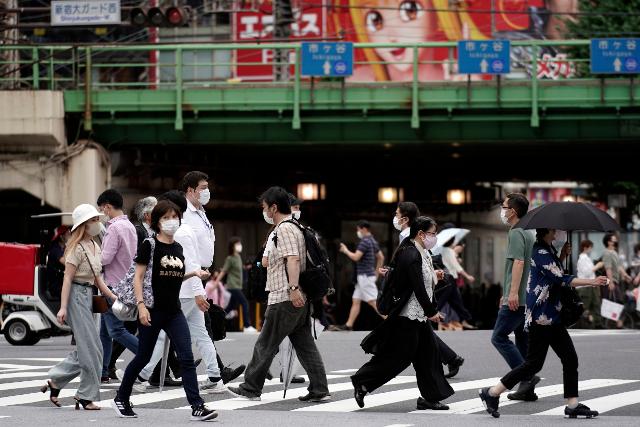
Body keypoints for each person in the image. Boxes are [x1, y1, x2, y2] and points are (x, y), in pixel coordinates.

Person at [479, 228, 608, 419]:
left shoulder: (548, 250)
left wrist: (562, 255)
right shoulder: (539, 251)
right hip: (541, 315)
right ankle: (491, 392)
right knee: (533, 364)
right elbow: (559, 278)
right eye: (556, 230)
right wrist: (592, 281)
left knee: (569, 358)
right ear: (549, 231)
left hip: (551, 315)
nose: (559, 233)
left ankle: (572, 404)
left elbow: (554, 275)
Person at [111, 200, 218, 421]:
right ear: (157, 222)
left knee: (187, 357)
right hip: (152, 310)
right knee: (143, 357)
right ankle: (121, 397)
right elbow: (138, 278)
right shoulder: (149, 245)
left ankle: (197, 406)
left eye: (174, 217)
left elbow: (173, 277)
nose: (171, 222)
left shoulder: (177, 248)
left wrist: (194, 274)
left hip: (174, 311)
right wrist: (141, 306)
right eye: (166, 218)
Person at [228, 186, 329, 402]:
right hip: (295, 296)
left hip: (285, 296)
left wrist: (292, 289)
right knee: (305, 344)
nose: (264, 212)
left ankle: (251, 387)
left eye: (265, 208)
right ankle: (319, 388)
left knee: (265, 343)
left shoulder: (284, 229)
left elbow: (292, 259)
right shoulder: (294, 227)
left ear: (274, 208)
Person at [352, 216, 454, 410]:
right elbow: (417, 286)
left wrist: (435, 276)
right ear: (421, 234)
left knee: (429, 355)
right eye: (432, 233)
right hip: (408, 315)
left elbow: (422, 278)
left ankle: (430, 397)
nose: (434, 237)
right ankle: (363, 381)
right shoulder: (411, 254)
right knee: (399, 356)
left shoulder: (423, 251)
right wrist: (431, 311)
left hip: (418, 315)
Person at [41, 204, 118, 410]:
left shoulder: (95, 246)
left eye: (96, 219)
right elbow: (67, 280)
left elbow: (97, 278)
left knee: (94, 348)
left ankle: (56, 380)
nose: (97, 223)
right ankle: (85, 396)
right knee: (90, 349)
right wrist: (63, 307)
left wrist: (112, 296)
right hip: (75, 296)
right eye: (93, 220)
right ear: (84, 224)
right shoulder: (75, 248)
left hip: (90, 296)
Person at [392, 201, 465, 379]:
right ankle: (449, 358)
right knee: (421, 328)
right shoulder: (417, 232)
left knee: (414, 328)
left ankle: (443, 362)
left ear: (405, 218)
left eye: (396, 213)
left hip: (414, 289)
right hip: (421, 285)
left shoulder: (407, 234)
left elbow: (411, 262)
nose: (394, 217)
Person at [176, 172, 226, 393]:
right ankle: (145, 373)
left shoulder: (200, 213)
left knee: (195, 331)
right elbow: (190, 255)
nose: (206, 191)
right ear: (190, 190)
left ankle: (215, 375)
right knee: (191, 331)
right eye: (202, 187)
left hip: (197, 277)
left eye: (207, 187)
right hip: (188, 277)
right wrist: (197, 287)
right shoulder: (185, 215)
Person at [491, 193, 540, 401]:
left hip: (517, 296)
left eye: (504, 207)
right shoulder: (530, 231)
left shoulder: (516, 231)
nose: (502, 210)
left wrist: (511, 293)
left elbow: (518, 263)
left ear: (513, 211)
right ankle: (527, 389)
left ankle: (527, 376)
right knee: (522, 337)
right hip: (527, 295)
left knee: (499, 337)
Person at [97, 189, 139, 384]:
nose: (102, 212)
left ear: (107, 206)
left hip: (111, 285)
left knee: (115, 331)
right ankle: (103, 371)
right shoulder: (130, 226)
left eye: (102, 208)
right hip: (126, 284)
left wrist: (91, 257)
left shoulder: (113, 228)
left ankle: (148, 357)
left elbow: (105, 257)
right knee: (104, 332)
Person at [335, 220, 385, 331]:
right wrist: (376, 274)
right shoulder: (372, 241)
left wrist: (345, 250)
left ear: (363, 229)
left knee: (373, 302)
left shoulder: (364, 241)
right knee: (356, 300)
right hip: (366, 276)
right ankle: (348, 325)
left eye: (358, 229)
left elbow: (356, 257)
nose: (358, 232)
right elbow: (381, 257)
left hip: (364, 277)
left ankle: (393, 322)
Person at [214, 237, 256, 332]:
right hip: (233, 286)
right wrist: (216, 283)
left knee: (230, 307)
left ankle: (215, 322)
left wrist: (246, 267)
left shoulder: (238, 257)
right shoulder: (230, 258)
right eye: (237, 244)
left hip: (237, 286)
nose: (239, 246)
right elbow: (223, 271)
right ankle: (247, 326)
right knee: (244, 303)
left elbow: (239, 269)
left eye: (239, 244)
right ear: (232, 247)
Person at [438, 236, 477, 330]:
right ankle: (430, 316)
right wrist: (468, 276)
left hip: (449, 280)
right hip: (449, 280)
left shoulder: (444, 250)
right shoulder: (448, 251)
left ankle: (464, 319)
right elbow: (457, 267)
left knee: (454, 302)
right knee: (444, 302)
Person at [602, 232, 632, 328]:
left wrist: (626, 275)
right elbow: (608, 268)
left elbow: (619, 266)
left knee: (617, 301)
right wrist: (610, 282)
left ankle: (615, 321)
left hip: (616, 281)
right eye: (613, 239)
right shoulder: (607, 253)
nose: (615, 240)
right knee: (615, 301)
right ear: (609, 242)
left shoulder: (614, 252)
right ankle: (615, 321)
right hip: (611, 281)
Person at [576, 240, 604, 328]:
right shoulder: (582, 259)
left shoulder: (586, 258)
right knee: (585, 307)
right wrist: (597, 266)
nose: (591, 250)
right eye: (590, 247)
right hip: (585, 287)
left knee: (595, 305)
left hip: (591, 285)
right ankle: (582, 325)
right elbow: (587, 272)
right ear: (585, 248)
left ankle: (596, 324)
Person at [46, 225, 70, 299]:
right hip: (56, 285)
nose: (70, 236)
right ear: (61, 236)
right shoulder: (55, 249)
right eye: (68, 234)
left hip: (63, 282)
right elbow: (67, 262)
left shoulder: (64, 248)